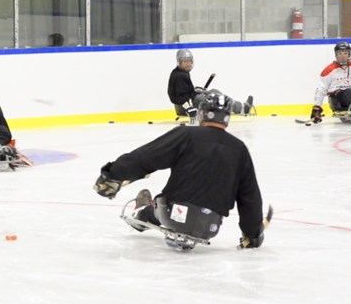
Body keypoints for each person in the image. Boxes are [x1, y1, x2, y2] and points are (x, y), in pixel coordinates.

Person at [95, 90, 266, 252]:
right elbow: (250, 196)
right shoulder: (239, 149)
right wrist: (252, 234)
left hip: (174, 215)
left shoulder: (186, 135)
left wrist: (112, 175)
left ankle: (141, 215)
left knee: (157, 205)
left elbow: (146, 157)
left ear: (202, 113)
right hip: (210, 227)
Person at [167, 49, 252, 121]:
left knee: (213, 91)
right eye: (185, 61)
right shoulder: (179, 76)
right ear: (179, 62)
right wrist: (189, 108)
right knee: (215, 96)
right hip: (186, 108)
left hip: (190, 103)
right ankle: (242, 109)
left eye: (189, 61)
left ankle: (241, 108)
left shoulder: (182, 72)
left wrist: (195, 91)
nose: (188, 63)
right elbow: (179, 97)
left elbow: (186, 91)